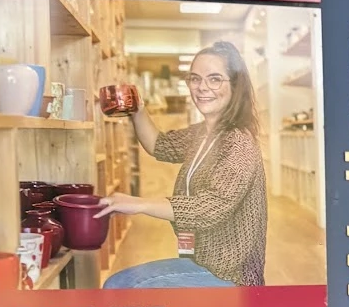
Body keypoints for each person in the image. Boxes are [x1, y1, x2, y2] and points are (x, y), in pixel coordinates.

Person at [101, 40, 268, 288]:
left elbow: (210, 207)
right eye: (195, 79)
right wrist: (137, 108)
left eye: (214, 79)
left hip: (231, 275)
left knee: (120, 287)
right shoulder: (204, 133)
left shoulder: (239, 143)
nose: (202, 88)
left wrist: (139, 203)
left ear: (235, 85)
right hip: (203, 263)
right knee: (119, 285)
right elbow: (159, 145)